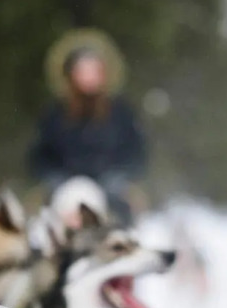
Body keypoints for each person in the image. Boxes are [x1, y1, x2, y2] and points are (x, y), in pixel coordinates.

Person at [28, 29, 147, 224]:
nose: (88, 76)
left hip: (111, 191)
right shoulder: (55, 114)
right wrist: (57, 180)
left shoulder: (120, 112)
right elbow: (39, 157)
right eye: (82, 70)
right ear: (70, 74)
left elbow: (136, 154)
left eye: (94, 70)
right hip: (65, 189)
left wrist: (117, 178)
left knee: (121, 213)